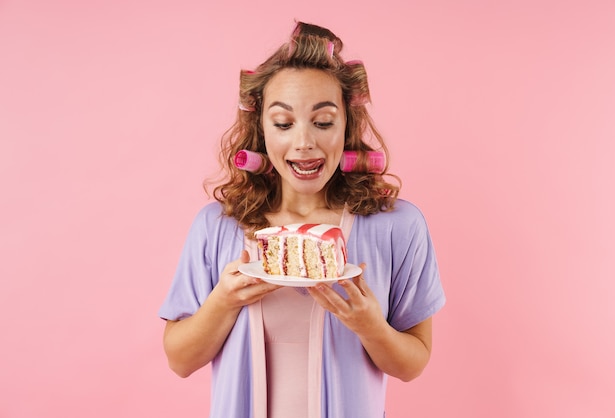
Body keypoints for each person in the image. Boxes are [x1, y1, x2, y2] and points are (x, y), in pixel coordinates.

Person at [159, 21, 446, 418]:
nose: (304, 142)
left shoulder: (396, 226)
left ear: (347, 125)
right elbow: (179, 360)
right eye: (283, 123)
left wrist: (369, 325)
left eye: (323, 122)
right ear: (261, 129)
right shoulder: (218, 225)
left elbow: (413, 364)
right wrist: (223, 302)